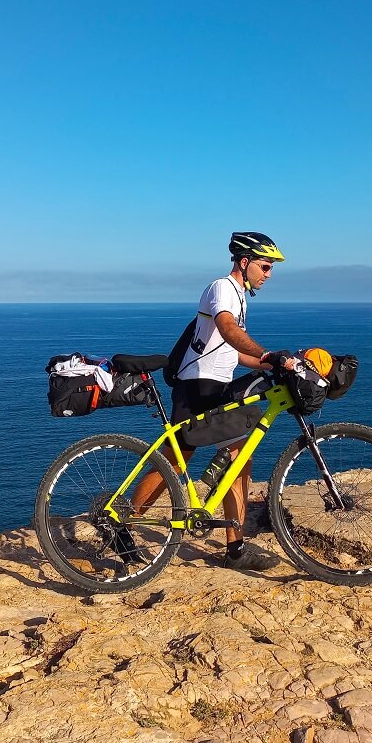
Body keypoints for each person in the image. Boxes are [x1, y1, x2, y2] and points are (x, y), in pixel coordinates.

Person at [131, 231, 290, 571]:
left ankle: (235, 548)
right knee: (174, 462)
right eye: (264, 266)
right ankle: (125, 524)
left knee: (239, 454)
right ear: (244, 262)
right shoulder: (222, 288)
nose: (269, 274)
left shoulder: (239, 295)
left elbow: (233, 351)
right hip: (196, 386)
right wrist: (267, 353)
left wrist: (274, 361)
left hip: (215, 385)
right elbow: (228, 328)